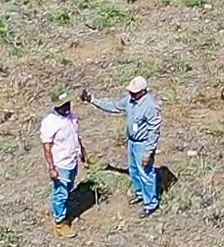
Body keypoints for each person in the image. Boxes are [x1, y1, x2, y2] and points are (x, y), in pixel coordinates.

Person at [81, 77, 163, 218]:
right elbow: (114, 106)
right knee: (134, 169)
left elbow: (154, 131)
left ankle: (151, 204)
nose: (131, 94)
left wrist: (148, 152)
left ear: (143, 91)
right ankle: (140, 194)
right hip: (132, 142)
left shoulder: (150, 106)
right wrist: (93, 100)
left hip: (143, 144)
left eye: (135, 92)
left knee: (146, 173)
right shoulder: (130, 101)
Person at [39, 92, 84, 238]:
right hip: (60, 164)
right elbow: (46, 147)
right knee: (61, 193)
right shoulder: (50, 122)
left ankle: (64, 212)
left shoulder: (72, 117)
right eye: (62, 105)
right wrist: (52, 168)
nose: (66, 107)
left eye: (67, 104)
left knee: (68, 189)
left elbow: (76, 136)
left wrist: (83, 153)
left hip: (72, 160)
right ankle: (60, 223)